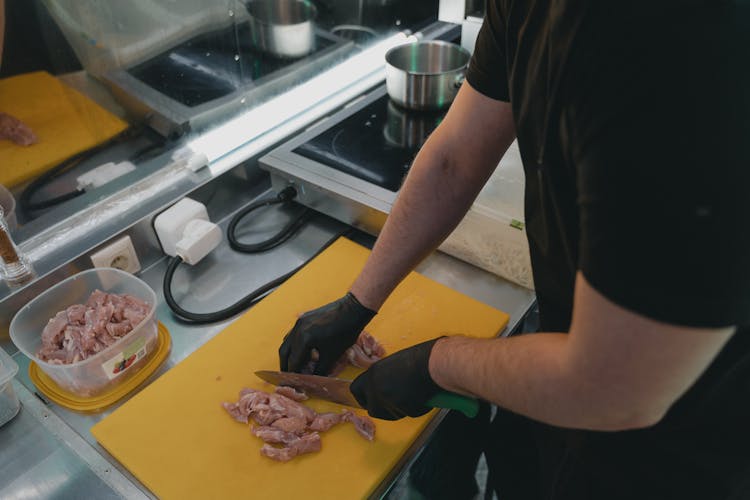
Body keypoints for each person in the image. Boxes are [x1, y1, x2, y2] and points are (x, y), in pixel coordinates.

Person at [279, 2, 750, 499]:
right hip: (562, 362)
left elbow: (617, 388)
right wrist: (358, 303)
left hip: (676, 443)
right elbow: (456, 155)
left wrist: (435, 363)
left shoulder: (688, 40)